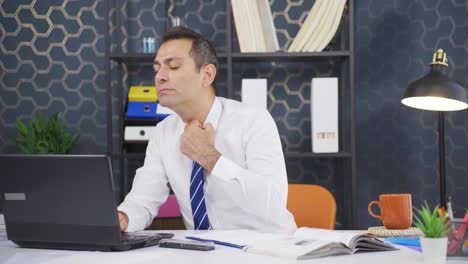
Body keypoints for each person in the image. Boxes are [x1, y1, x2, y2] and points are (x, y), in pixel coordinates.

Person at [117, 26, 296, 234]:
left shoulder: (253, 120)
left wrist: (210, 158)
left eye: (173, 66)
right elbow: (143, 201)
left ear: (207, 75)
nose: (160, 77)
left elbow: (273, 204)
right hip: (204, 252)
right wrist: (124, 217)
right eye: (157, 69)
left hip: (266, 250)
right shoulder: (162, 133)